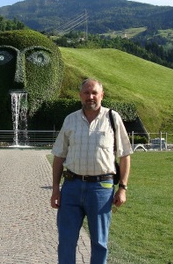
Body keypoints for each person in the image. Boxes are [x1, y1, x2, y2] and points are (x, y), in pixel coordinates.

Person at [50, 78, 133, 264]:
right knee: (66, 241)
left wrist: (122, 188)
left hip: (101, 188)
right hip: (71, 187)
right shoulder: (70, 120)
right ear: (80, 95)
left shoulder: (113, 118)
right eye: (86, 93)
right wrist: (56, 189)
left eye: (94, 92)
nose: (90, 96)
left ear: (102, 95)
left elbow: (125, 154)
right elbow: (59, 156)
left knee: (100, 243)